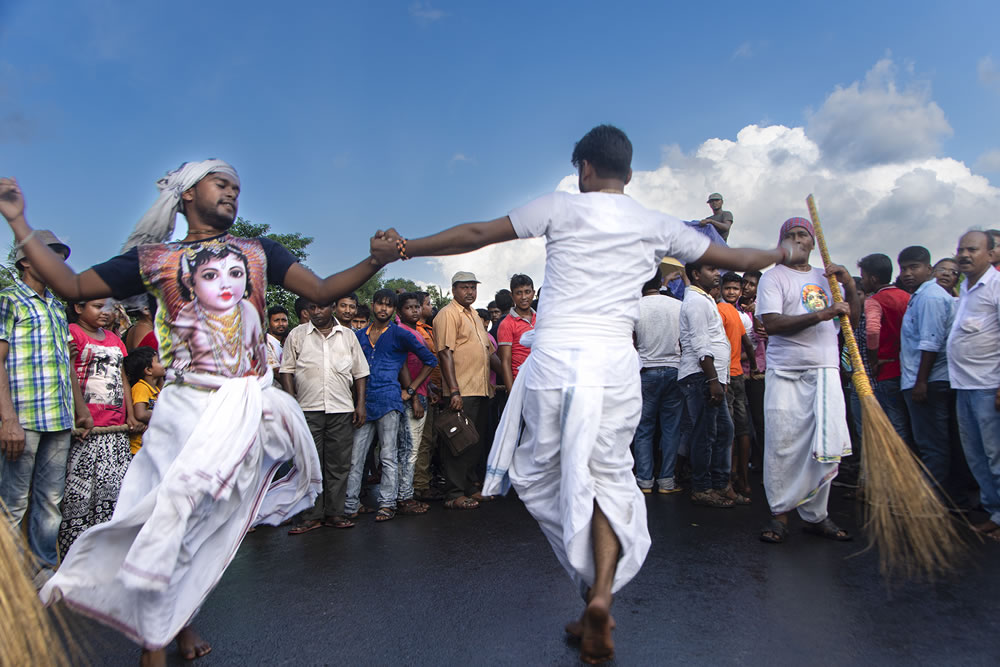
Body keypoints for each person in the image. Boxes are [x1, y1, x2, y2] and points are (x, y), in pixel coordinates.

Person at [381, 125, 801, 663]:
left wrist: (404, 248)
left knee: (547, 479)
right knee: (605, 479)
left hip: (554, 362)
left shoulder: (559, 206)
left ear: (583, 167)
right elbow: (737, 255)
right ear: (628, 171)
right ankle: (600, 594)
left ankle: (589, 602)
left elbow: (476, 234)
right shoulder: (657, 224)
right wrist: (780, 250)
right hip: (613, 367)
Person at [0, 161, 399, 664]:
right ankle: (156, 639)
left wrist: (374, 262)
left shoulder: (260, 252)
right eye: (221, 183)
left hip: (243, 408)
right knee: (171, 519)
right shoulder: (153, 258)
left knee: (200, 524)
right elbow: (73, 286)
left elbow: (319, 291)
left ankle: (176, 621)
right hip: (185, 409)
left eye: (237, 186)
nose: (233, 192)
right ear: (188, 194)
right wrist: (17, 220)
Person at [757, 217, 859, 544]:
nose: (798, 240)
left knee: (824, 447)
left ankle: (817, 515)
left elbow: (850, 323)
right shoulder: (773, 277)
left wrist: (850, 287)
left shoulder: (827, 279)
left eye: (803, 234)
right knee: (781, 444)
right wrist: (822, 314)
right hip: (786, 372)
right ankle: (780, 514)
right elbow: (772, 322)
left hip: (826, 371)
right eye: (790, 235)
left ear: (813, 242)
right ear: (782, 242)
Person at [0, 230, 89, 589]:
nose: (58, 263)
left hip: (58, 417)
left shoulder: (55, 304)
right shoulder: (9, 299)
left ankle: (43, 574)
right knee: (13, 504)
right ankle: (10, 585)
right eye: (48, 254)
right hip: (22, 417)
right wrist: (7, 419)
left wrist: (80, 407)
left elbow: (66, 362)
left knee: (51, 501)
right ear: (26, 260)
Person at [345, 289, 436, 522]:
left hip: (390, 401)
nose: (383, 309)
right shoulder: (359, 335)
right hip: (363, 404)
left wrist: (412, 390)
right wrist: (357, 402)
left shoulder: (399, 334)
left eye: (388, 305)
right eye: (379, 304)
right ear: (373, 305)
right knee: (357, 457)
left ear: (393, 309)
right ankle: (350, 504)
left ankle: (387, 504)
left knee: (388, 456)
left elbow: (430, 360)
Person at [280, 299, 369, 534]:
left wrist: (360, 405)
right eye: (312, 308)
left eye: (321, 306)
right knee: (309, 464)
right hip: (307, 409)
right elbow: (286, 371)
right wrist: (292, 405)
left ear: (331, 307)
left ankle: (334, 513)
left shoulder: (347, 336)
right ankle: (311, 515)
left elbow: (360, 373)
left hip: (341, 409)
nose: (316, 312)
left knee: (338, 464)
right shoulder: (297, 335)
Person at [59, 298, 138, 559]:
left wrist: (129, 414)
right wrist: (79, 414)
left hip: (115, 430)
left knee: (116, 490)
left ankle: (111, 553)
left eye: (108, 308)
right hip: (88, 429)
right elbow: (67, 373)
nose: (104, 313)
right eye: (96, 307)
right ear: (79, 308)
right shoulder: (73, 332)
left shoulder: (115, 340)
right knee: (81, 495)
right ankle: (78, 557)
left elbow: (122, 378)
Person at [896, 246, 968, 507]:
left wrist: (921, 382)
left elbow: (931, 343)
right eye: (903, 268)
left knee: (932, 445)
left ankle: (931, 504)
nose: (907, 273)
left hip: (928, 381)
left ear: (929, 269)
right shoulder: (920, 296)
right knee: (939, 443)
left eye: (914, 267)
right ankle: (953, 500)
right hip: (925, 379)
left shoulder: (931, 297)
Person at [947, 231, 1000, 540]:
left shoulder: (995, 287)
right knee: (977, 457)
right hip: (963, 386)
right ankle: (994, 512)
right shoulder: (965, 289)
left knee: (995, 456)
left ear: (990, 254)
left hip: (988, 386)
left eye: (972, 249)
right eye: (960, 248)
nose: (964, 254)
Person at [432, 272, 495, 509]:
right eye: (464, 288)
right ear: (454, 290)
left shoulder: (475, 316)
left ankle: (469, 487)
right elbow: (444, 352)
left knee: (474, 442)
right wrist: (454, 390)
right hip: (461, 390)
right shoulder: (448, 314)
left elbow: (488, 352)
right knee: (457, 443)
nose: (470, 292)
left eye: (473, 287)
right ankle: (453, 493)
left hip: (480, 388)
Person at [680, 262, 735, 508]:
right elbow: (701, 344)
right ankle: (702, 488)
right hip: (701, 377)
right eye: (711, 270)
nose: (717, 274)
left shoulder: (706, 299)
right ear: (695, 274)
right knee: (705, 434)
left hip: (712, 378)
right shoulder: (696, 301)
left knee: (724, 430)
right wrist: (712, 380)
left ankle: (720, 484)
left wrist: (720, 380)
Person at [633, 271, 684, 494]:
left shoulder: (635, 307)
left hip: (646, 371)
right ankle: (667, 481)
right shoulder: (677, 305)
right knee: (671, 429)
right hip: (675, 370)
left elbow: (631, 343)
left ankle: (644, 480)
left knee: (644, 428)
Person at [859, 253, 912, 444]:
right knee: (908, 421)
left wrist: (873, 359)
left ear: (873, 278)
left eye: (863, 276)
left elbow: (872, 331)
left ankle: (899, 466)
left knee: (894, 422)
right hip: (908, 369)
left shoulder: (874, 301)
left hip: (886, 368)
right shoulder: (907, 297)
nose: (863, 280)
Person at [396, 292, 435, 514]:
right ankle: (405, 497)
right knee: (409, 449)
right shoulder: (402, 332)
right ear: (400, 311)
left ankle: (404, 494)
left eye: (417, 307)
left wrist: (429, 388)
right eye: (409, 308)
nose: (415, 311)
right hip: (412, 397)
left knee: (412, 447)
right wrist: (413, 394)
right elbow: (403, 365)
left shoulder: (415, 331)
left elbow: (418, 364)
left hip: (420, 392)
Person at [719, 271, 757, 500]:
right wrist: (753, 366)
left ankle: (735, 479)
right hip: (731, 376)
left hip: (732, 377)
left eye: (735, 289)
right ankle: (736, 479)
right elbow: (748, 346)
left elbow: (748, 345)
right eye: (728, 289)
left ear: (740, 291)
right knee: (736, 430)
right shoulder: (727, 312)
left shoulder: (728, 312)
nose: (732, 292)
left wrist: (753, 366)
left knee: (734, 431)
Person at [411, 291, 444, 501]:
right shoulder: (413, 331)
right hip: (421, 389)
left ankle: (424, 480)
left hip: (433, 389)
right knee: (421, 440)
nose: (430, 307)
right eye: (428, 304)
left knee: (430, 439)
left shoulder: (430, 329)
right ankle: (419, 486)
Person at [740, 270, 767, 466]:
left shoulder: (763, 309)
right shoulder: (733, 306)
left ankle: (764, 461)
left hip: (757, 371)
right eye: (745, 283)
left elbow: (760, 338)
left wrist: (755, 310)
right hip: (738, 371)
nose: (747, 287)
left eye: (752, 284)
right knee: (742, 421)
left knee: (760, 419)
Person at [497, 273, 536, 397]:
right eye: (519, 293)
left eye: (527, 292)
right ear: (512, 295)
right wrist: (512, 394)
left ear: (533, 293)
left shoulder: (540, 319)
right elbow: (505, 361)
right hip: (521, 385)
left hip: (541, 382)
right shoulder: (506, 324)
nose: (524, 297)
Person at [124, 346, 165, 456]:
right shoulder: (141, 387)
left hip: (148, 449)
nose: (165, 363)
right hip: (138, 450)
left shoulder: (155, 390)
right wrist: (164, 418)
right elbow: (140, 414)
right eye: (159, 361)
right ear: (148, 370)